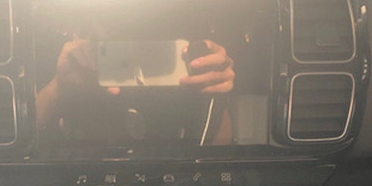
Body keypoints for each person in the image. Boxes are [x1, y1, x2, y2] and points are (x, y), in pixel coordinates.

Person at [36, 36, 235, 145]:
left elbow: (218, 155)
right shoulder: (65, 57)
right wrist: (58, 87)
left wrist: (216, 96)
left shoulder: (189, 61)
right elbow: (23, 145)